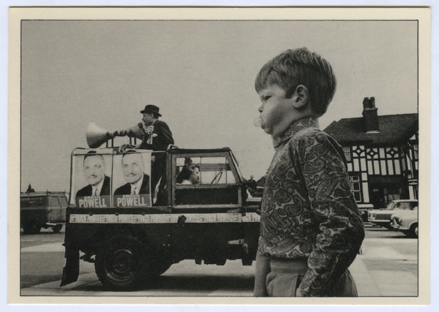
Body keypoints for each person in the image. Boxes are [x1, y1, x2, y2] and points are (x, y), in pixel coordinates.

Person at [253, 48, 365, 297]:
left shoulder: (311, 141)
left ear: (299, 97)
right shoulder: (287, 147)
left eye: (266, 97)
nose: (260, 109)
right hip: (283, 280)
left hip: (303, 280)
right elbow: (268, 235)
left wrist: (307, 296)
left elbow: (344, 227)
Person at [138, 104, 174, 203]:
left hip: (161, 163)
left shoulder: (160, 124)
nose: (143, 118)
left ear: (151, 115)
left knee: (156, 185)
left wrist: (156, 156)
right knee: (149, 185)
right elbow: (146, 146)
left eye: (144, 116)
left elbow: (169, 142)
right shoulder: (150, 128)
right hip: (153, 164)